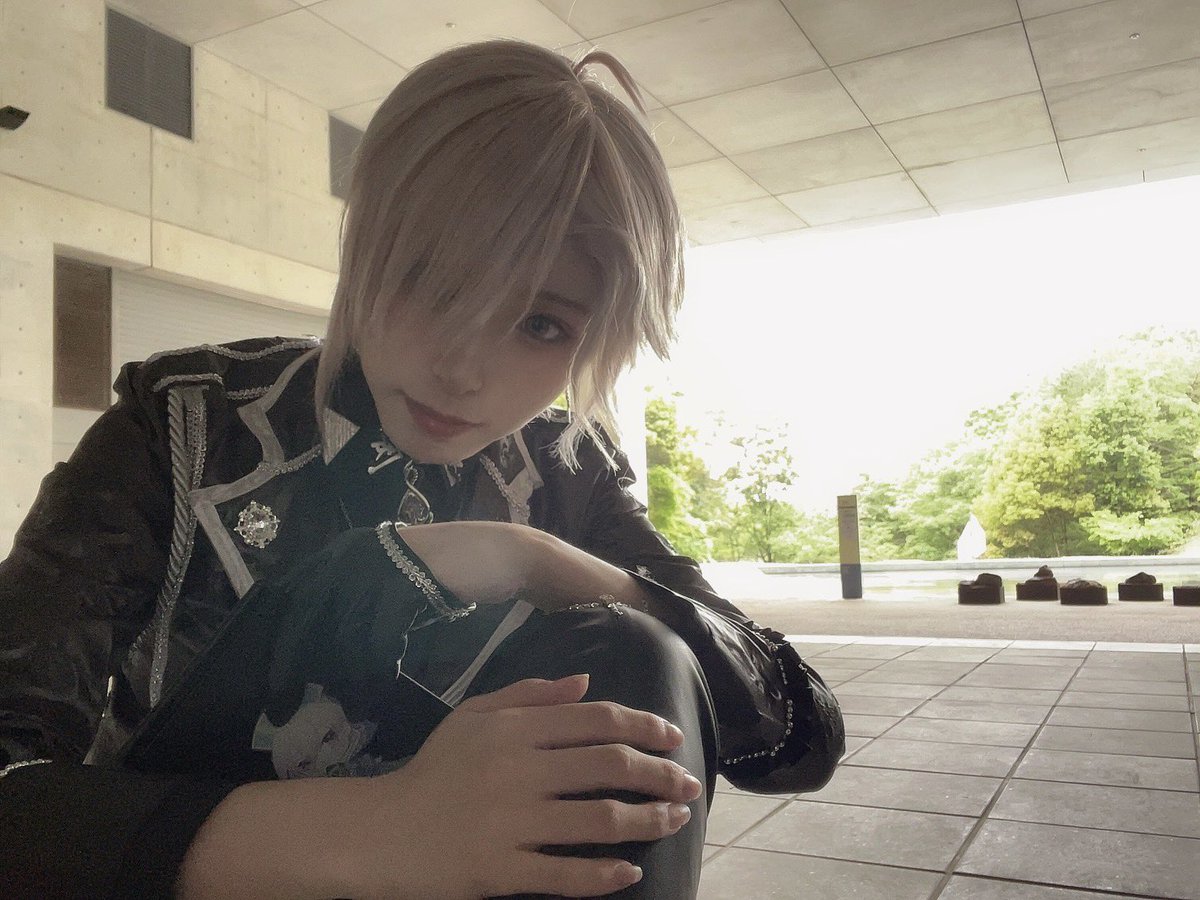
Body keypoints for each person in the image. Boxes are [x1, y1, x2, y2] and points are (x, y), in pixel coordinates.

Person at [0, 40, 844, 899]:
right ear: (366, 239)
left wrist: (530, 558)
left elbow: (799, 737)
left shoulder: (565, 470)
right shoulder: (184, 424)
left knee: (641, 644)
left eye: (542, 325)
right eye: (433, 279)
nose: (464, 369)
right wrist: (377, 825)